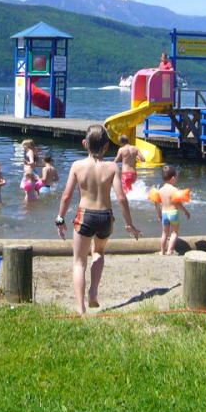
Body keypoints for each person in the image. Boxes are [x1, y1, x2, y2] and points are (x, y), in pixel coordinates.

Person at [56, 125, 141, 315]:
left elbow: (66, 196)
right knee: (99, 253)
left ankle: (80, 307)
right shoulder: (112, 167)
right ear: (106, 146)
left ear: (84, 143)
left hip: (85, 215)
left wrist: (60, 219)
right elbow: (121, 198)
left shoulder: (77, 166)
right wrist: (129, 224)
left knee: (79, 262)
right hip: (105, 216)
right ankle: (93, 291)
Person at [149, 165, 191, 256]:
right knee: (174, 232)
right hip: (173, 213)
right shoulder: (174, 190)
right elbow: (177, 203)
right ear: (173, 178)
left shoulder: (160, 190)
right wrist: (185, 211)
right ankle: (170, 250)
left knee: (164, 233)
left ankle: (162, 251)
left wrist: (159, 214)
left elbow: (156, 203)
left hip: (164, 213)